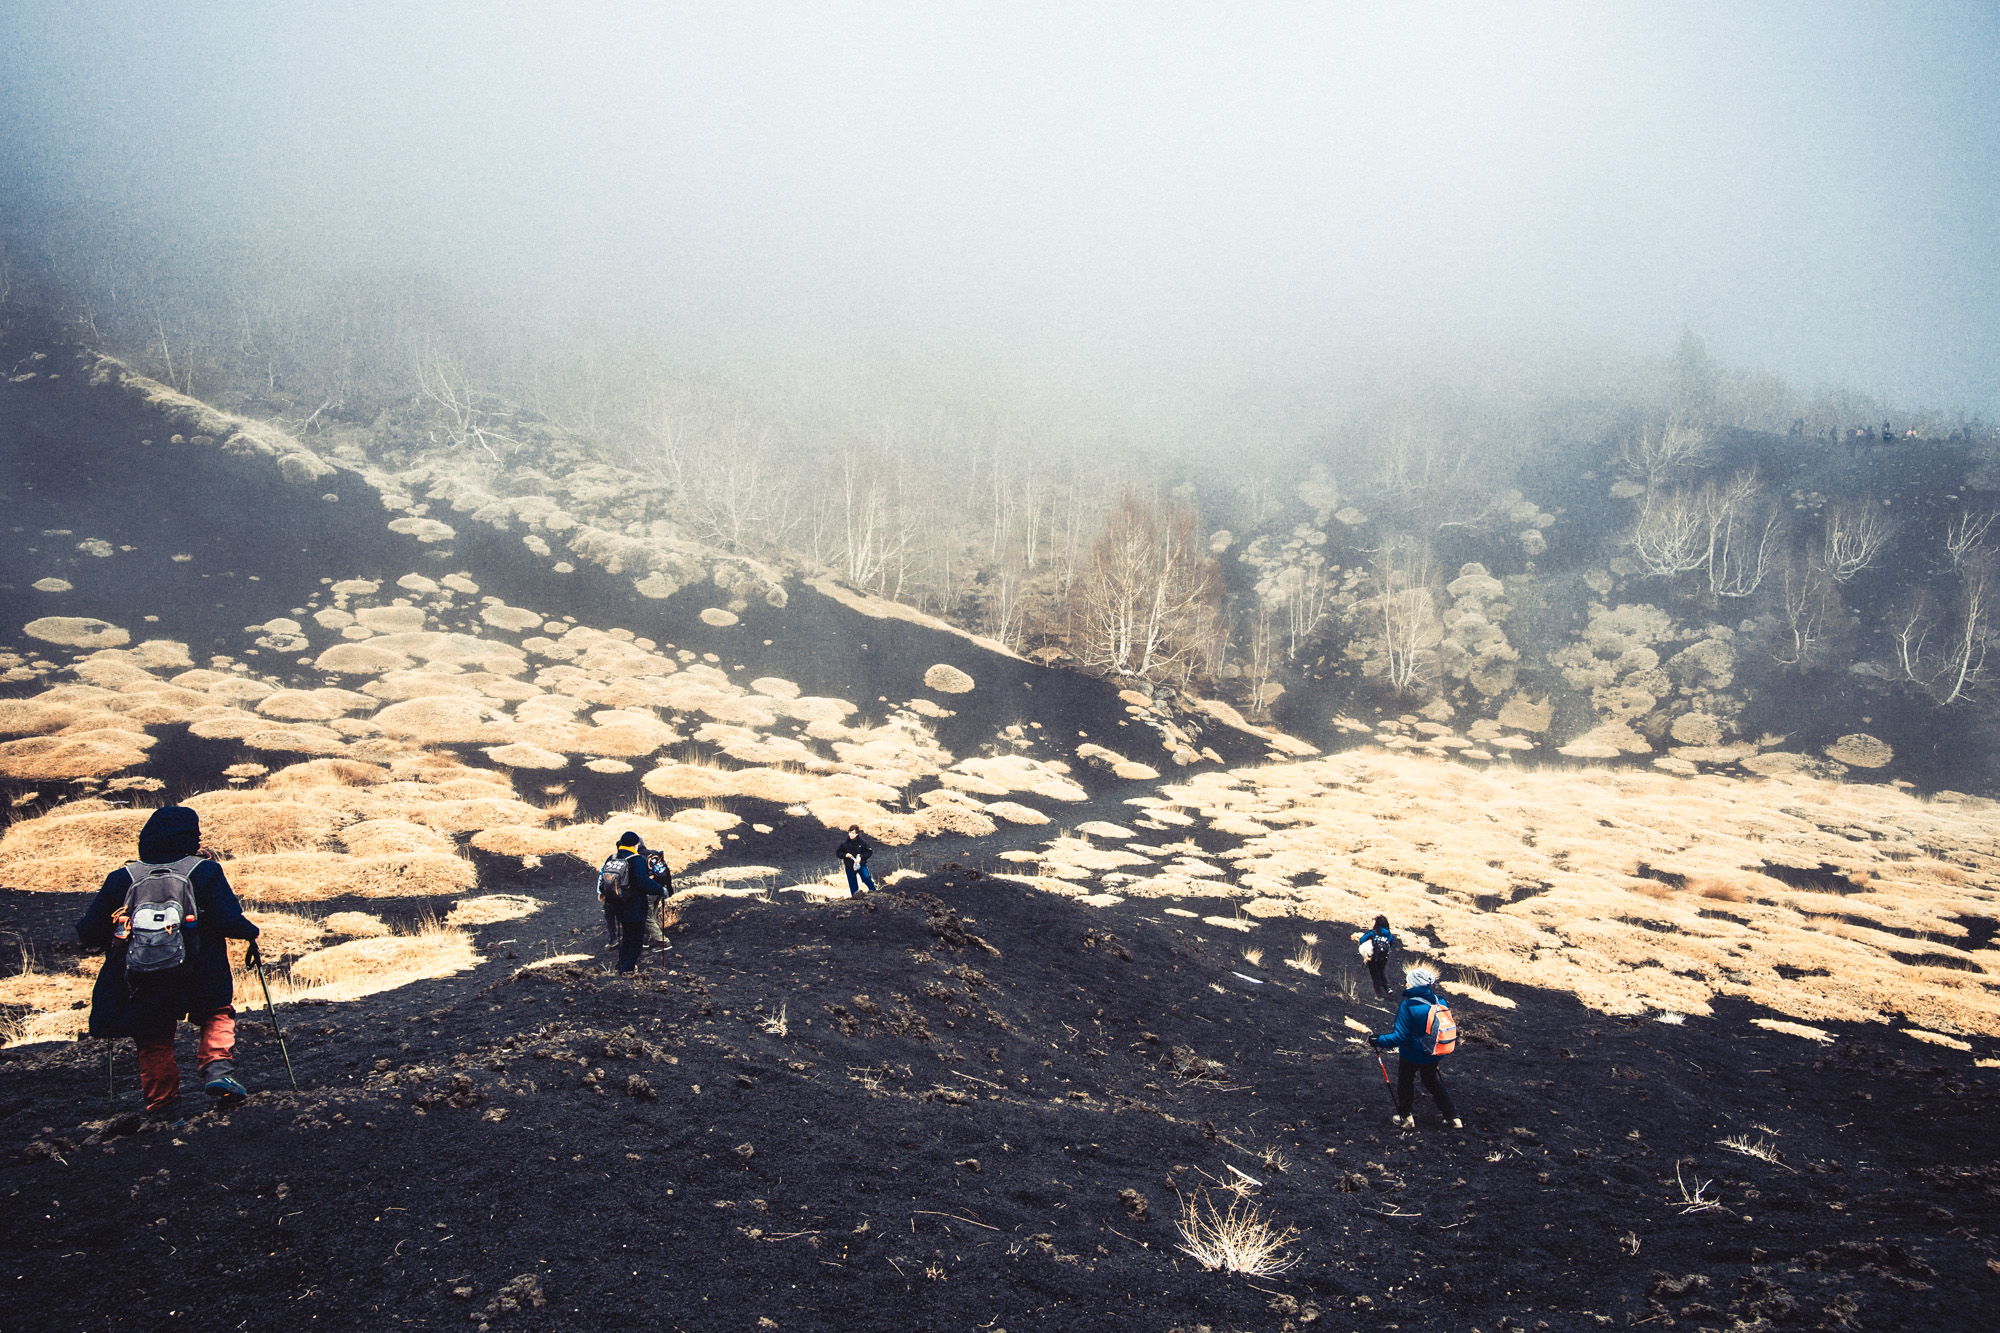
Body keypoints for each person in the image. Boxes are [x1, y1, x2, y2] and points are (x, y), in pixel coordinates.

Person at [75, 806, 260, 1121]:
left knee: (152, 1035)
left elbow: (89, 932)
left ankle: (163, 1107)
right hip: (201, 969)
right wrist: (251, 933)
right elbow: (229, 920)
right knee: (216, 1013)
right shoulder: (205, 871)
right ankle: (216, 1070)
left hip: (143, 975)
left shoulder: (122, 878)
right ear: (189, 837)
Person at [1369, 965, 1461, 1130]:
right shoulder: (1440, 1000)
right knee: (1431, 1080)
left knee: (1405, 1082)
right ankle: (1453, 1116)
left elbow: (1400, 1037)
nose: (1405, 984)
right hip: (1435, 1050)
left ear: (1414, 984)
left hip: (1412, 1053)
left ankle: (1406, 1117)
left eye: (1408, 982)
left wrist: (1378, 1040)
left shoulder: (1408, 1005)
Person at [598, 832, 658, 974]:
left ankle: (622, 967)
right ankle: (627, 970)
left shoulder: (612, 858)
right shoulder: (635, 859)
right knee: (636, 940)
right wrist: (660, 889)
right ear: (635, 844)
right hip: (635, 906)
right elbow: (643, 882)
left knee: (626, 937)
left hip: (618, 905)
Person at [1350, 915, 1398, 998]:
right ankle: (1388, 988)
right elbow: (1391, 943)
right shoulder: (1389, 934)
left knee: (1375, 975)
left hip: (1373, 956)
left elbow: (1362, 940)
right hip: (1384, 957)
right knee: (1381, 972)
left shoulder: (1373, 932)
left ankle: (1379, 995)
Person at [643, 850, 674, 954]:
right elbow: (667, 871)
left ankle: (663, 942)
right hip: (660, 889)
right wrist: (670, 891)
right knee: (652, 916)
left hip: (649, 892)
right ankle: (645, 941)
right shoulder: (655, 854)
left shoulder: (640, 858)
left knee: (647, 918)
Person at [834, 826, 878, 895]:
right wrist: (845, 855)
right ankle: (855, 898)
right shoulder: (845, 843)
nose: (851, 835)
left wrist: (861, 857)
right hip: (849, 866)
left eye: (853, 833)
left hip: (861, 865)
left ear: (857, 834)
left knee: (866, 877)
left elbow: (869, 851)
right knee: (852, 883)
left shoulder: (862, 842)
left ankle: (874, 891)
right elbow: (838, 853)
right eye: (850, 832)